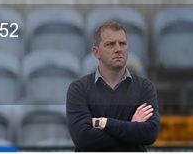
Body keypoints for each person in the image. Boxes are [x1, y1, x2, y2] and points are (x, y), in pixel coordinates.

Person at [66, 20, 160, 151]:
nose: (118, 49)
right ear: (96, 52)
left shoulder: (144, 87)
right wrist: (131, 127)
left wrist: (104, 123)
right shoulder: (79, 88)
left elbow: (150, 133)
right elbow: (83, 138)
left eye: (122, 44)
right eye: (110, 44)